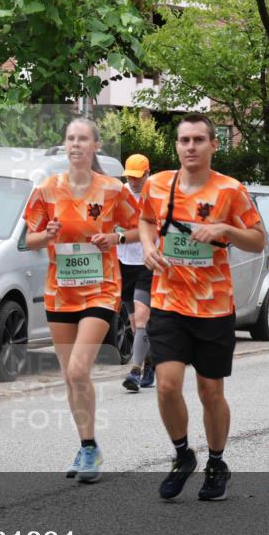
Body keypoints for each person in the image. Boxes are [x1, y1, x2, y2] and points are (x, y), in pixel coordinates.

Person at [138, 113, 265, 501]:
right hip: (168, 300)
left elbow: (258, 240)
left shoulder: (230, 191)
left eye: (198, 139)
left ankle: (216, 461)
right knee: (167, 385)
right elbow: (144, 220)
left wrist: (225, 231)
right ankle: (182, 455)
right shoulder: (158, 185)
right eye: (184, 140)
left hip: (212, 307)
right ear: (176, 146)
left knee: (210, 391)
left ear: (213, 144)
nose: (190, 147)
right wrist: (147, 247)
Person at [24, 118, 140, 483]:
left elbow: (141, 228)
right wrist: (47, 235)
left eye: (83, 139)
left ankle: (89, 447)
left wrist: (117, 239)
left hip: (102, 289)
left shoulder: (112, 190)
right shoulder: (46, 190)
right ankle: (87, 446)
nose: (76, 145)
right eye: (71, 139)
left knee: (78, 370)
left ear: (96, 146)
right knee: (70, 377)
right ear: (65, 145)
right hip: (60, 292)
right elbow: (30, 239)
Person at [118, 153, 155, 392]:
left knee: (142, 316)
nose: (134, 182)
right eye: (130, 177)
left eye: (138, 177)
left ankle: (135, 371)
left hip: (147, 261)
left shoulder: (155, 194)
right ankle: (150, 363)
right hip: (123, 263)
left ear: (147, 174)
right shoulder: (120, 193)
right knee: (135, 324)